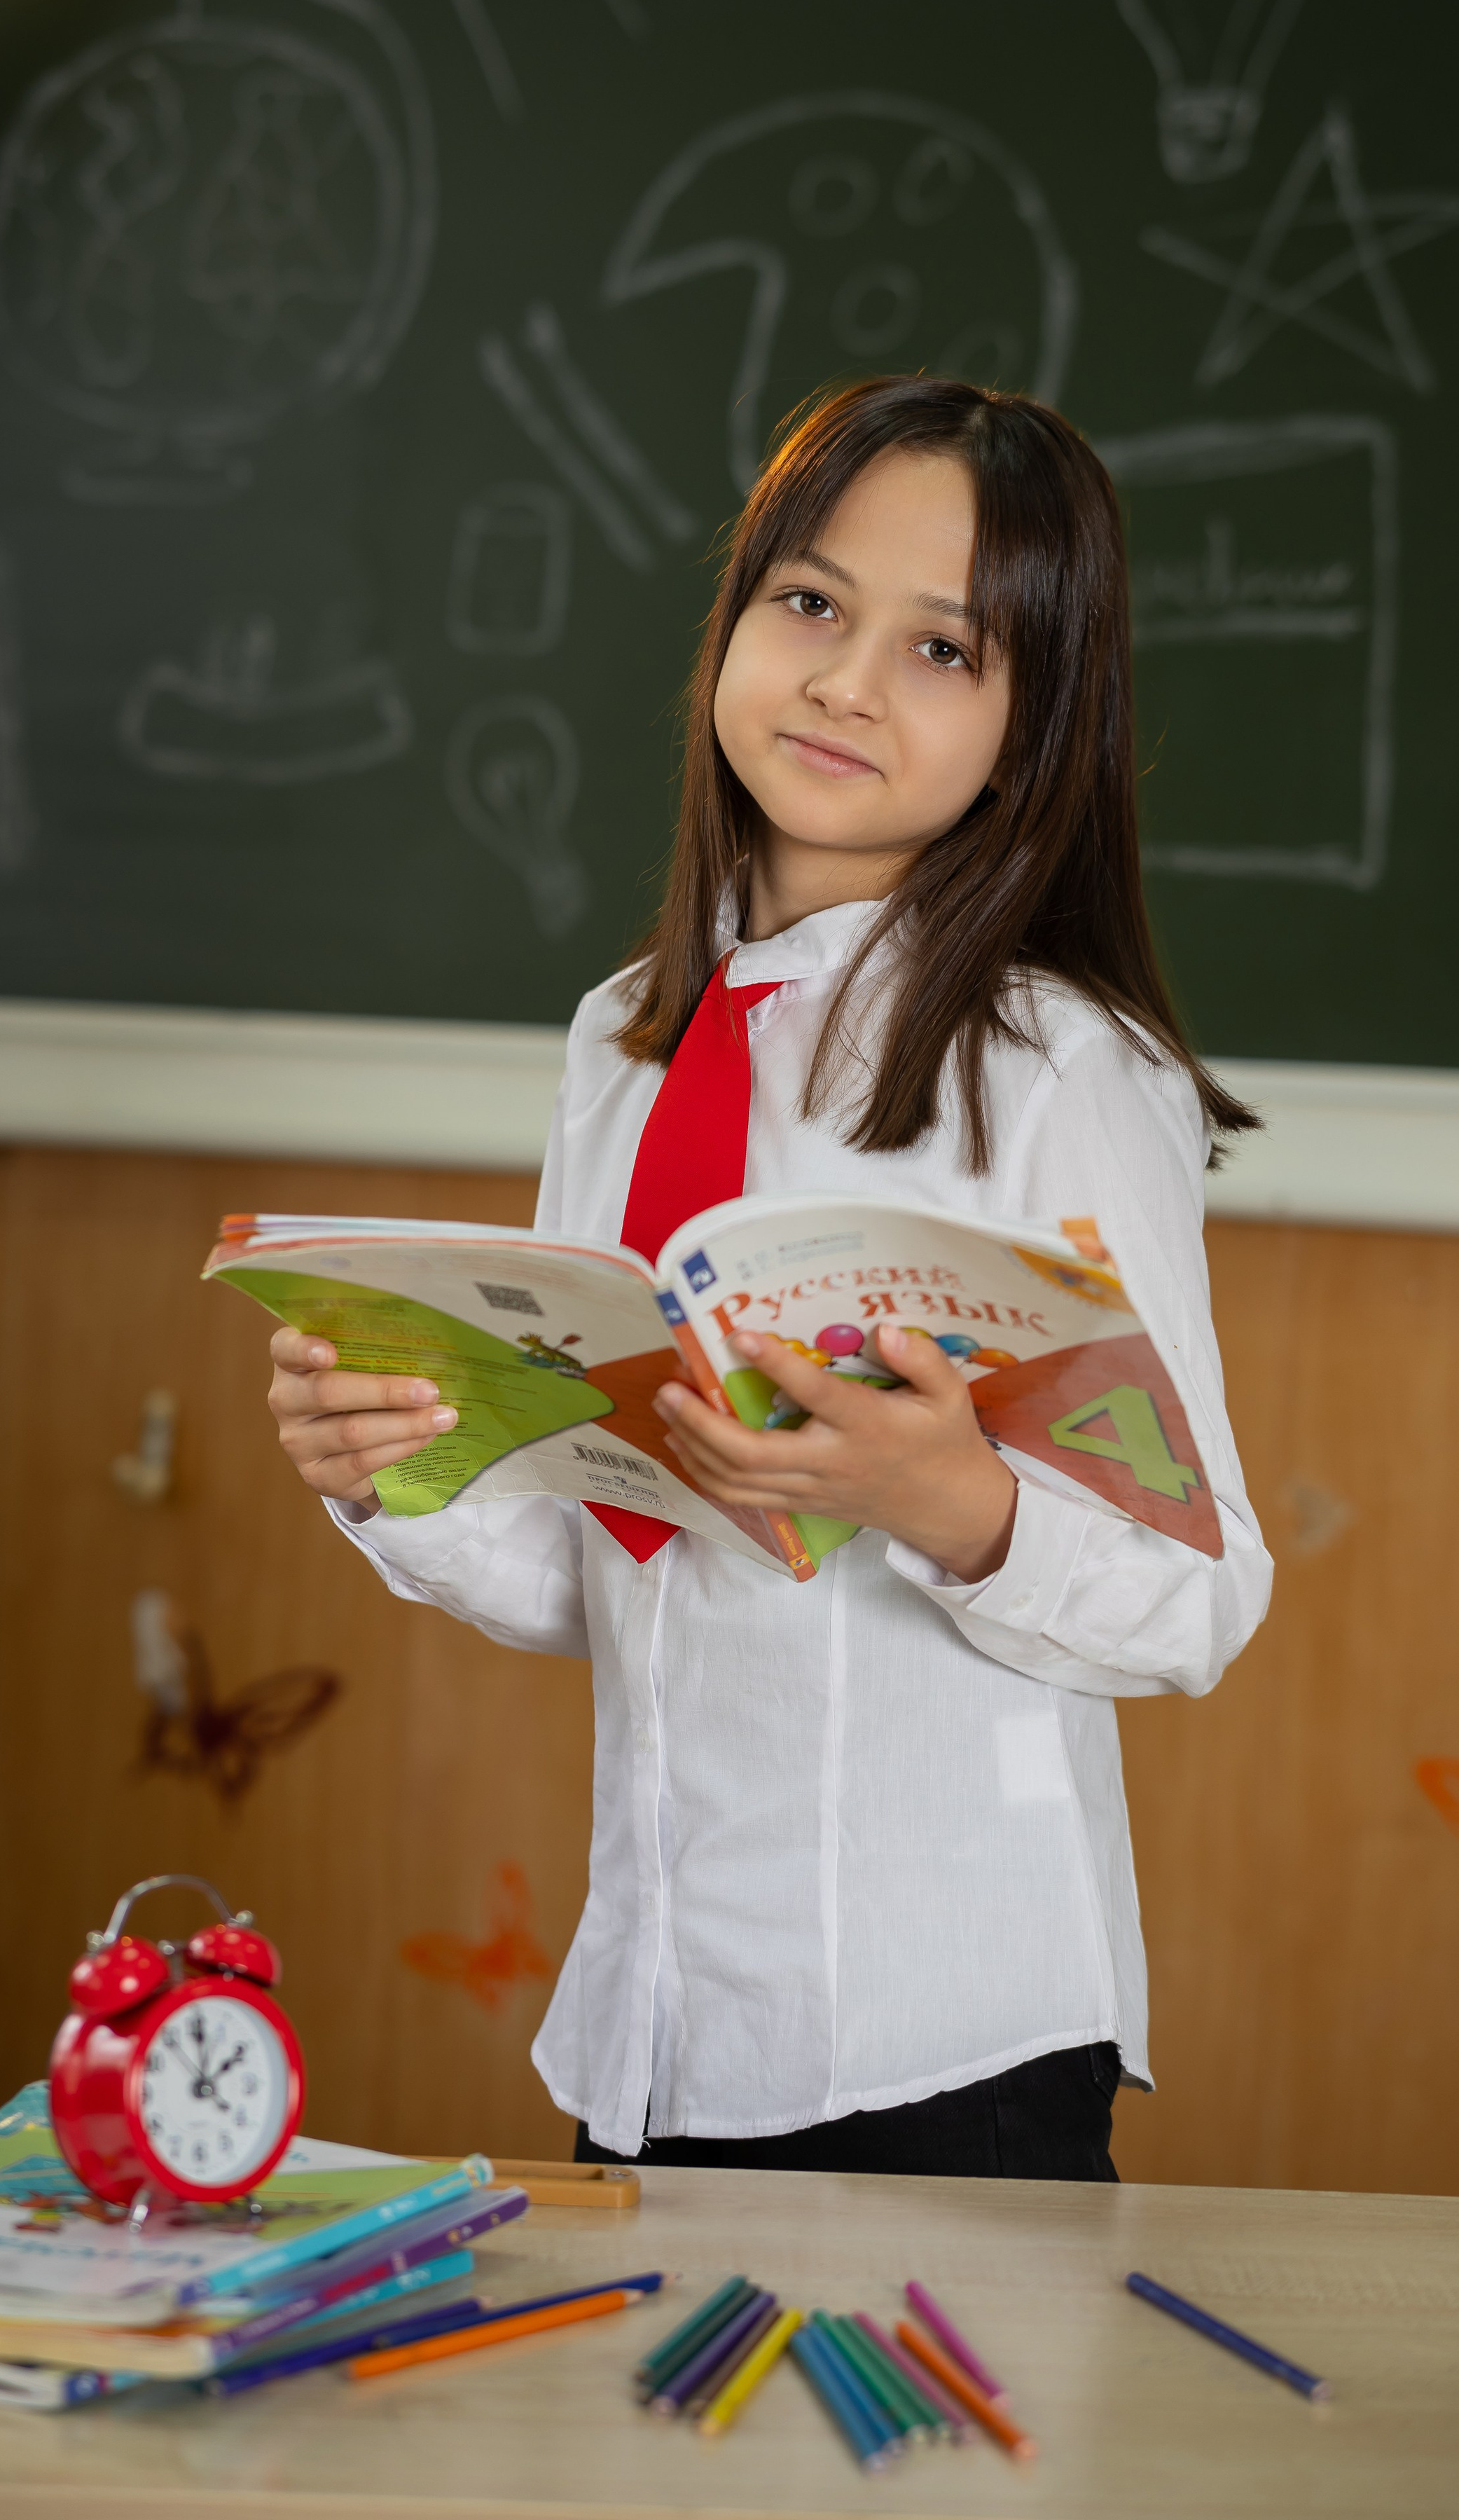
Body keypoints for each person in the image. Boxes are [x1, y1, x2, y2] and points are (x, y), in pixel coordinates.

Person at [266, 376, 1273, 2178]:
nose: (842, 681)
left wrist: (945, 1495)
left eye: (942, 649)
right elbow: (618, 1565)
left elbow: (1199, 1599)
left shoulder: (1050, 1068)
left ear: (1035, 724)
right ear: (733, 616)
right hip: (654, 2023)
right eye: (808, 603)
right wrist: (394, 1461)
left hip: (940, 2037)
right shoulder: (628, 1041)